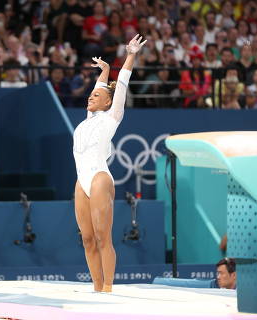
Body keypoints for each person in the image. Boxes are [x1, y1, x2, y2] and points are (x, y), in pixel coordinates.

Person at [72, 34, 146, 293]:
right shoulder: (89, 118)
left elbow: (121, 84)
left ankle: (108, 289)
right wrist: (103, 71)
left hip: (100, 178)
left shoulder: (112, 116)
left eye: (96, 95)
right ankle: (95, 288)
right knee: (88, 239)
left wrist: (131, 55)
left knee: (103, 237)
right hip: (82, 181)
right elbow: (100, 89)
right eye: (90, 94)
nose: (90, 97)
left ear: (107, 102)